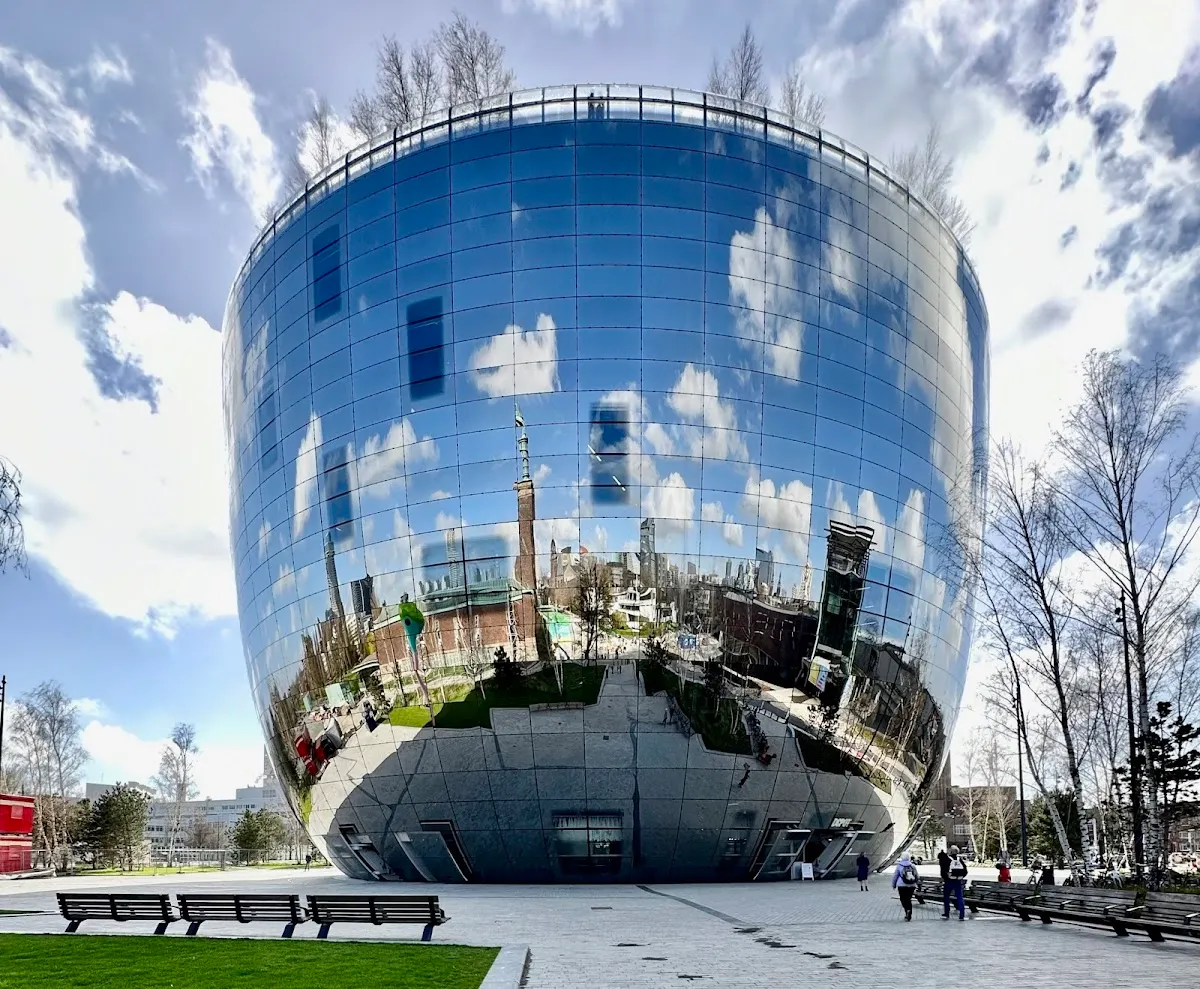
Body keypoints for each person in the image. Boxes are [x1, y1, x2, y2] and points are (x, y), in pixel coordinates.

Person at [943, 844, 968, 920]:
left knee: (946, 897)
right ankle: (962, 914)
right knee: (960, 897)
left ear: (951, 851)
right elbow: (965, 871)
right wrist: (960, 877)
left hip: (949, 881)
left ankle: (947, 913)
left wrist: (946, 877)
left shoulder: (947, 859)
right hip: (958, 881)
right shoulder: (959, 859)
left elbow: (944, 870)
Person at [892, 853, 919, 921]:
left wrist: (894, 885)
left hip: (902, 885)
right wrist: (915, 883)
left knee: (903, 899)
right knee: (908, 899)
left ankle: (907, 910)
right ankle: (909, 911)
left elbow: (895, 876)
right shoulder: (912, 865)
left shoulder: (899, 866)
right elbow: (917, 876)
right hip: (911, 885)